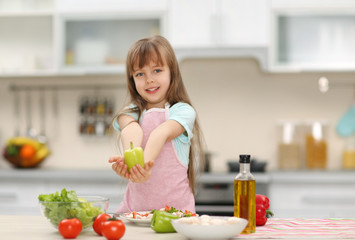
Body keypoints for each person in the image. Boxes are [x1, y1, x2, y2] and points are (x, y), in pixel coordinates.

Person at [109, 35, 204, 213]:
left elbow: (160, 133)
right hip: (134, 215)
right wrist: (131, 164)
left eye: (157, 70)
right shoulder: (128, 113)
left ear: (172, 72)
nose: (149, 79)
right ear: (132, 79)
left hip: (176, 217)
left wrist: (144, 165)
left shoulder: (183, 111)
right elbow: (131, 130)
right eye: (140, 74)